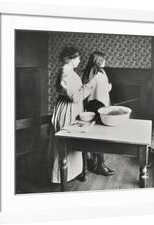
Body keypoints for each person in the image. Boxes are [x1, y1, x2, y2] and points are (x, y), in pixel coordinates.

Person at [50, 46, 97, 183]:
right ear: (70, 59)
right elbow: (75, 97)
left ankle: (73, 173)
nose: (80, 60)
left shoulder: (68, 71)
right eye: (77, 58)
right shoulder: (66, 72)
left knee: (73, 143)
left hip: (72, 108)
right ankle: (63, 176)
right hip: (68, 109)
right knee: (67, 143)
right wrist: (90, 85)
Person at [83, 51, 114, 176]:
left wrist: (108, 88)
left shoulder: (101, 72)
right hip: (96, 105)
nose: (105, 61)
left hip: (100, 104)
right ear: (98, 60)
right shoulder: (94, 73)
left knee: (99, 135)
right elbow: (88, 88)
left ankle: (98, 162)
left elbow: (101, 88)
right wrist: (107, 88)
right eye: (103, 59)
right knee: (98, 136)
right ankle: (99, 164)